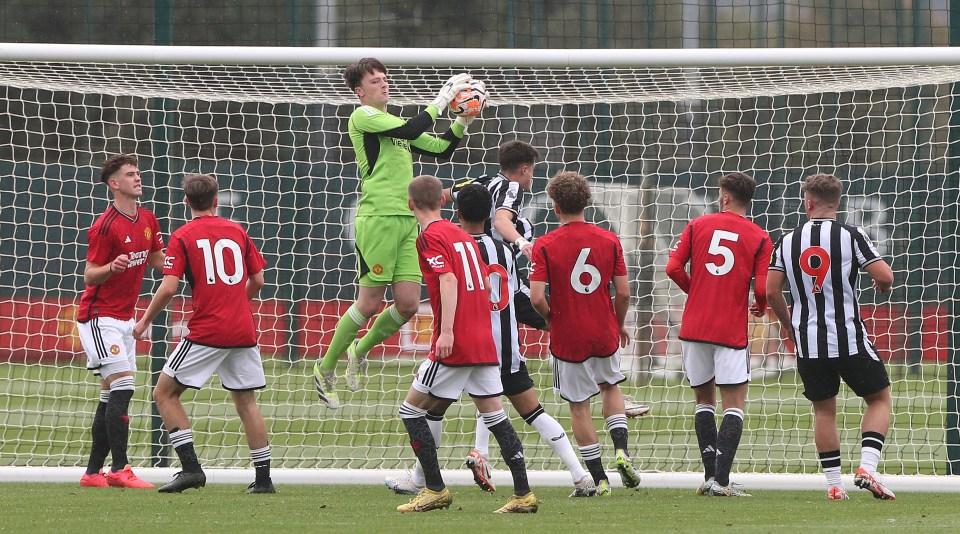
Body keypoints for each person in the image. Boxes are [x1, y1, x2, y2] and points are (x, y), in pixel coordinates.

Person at [386, 184, 595, 498]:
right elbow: (506, 291)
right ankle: (575, 476)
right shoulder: (505, 250)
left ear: (457, 212)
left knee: (427, 411)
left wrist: (447, 330)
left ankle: (432, 479)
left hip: (466, 340)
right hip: (503, 344)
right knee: (526, 412)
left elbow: (453, 282)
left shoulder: (452, 241)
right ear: (489, 215)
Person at [313, 57, 478, 409]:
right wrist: (442, 99)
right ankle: (324, 367)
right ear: (360, 91)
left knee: (405, 304)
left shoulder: (394, 125)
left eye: (385, 79)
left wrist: (462, 120)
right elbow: (409, 129)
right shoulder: (363, 116)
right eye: (376, 81)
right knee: (369, 302)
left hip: (407, 221)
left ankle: (360, 349)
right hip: (378, 219)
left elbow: (442, 150)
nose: (384, 84)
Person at [446, 140, 651, 418]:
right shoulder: (512, 187)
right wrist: (521, 242)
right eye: (532, 170)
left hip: (481, 279)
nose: (532, 176)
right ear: (524, 168)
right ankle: (611, 390)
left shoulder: (484, 181)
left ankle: (608, 388)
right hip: (503, 280)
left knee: (498, 370)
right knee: (566, 325)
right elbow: (501, 222)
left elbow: (445, 194)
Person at [394, 175, 538, 513]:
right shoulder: (462, 235)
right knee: (496, 416)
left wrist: (446, 332)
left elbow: (447, 278)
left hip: (456, 342)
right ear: (442, 202)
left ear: (410, 204)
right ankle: (523, 494)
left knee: (410, 410)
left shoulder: (431, 235)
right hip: (483, 339)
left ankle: (434, 488)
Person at [133, 173, 274, 494]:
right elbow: (259, 279)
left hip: (208, 329)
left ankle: (191, 469)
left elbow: (169, 287)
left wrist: (143, 321)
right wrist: (236, 302)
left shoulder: (182, 235)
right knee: (247, 401)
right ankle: (264, 480)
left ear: (186, 202)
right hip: (242, 329)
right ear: (216, 200)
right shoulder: (237, 230)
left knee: (164, 394)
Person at [767, 173, 895, 501]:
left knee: (824, 411)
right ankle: (867, 466)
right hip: (848, 337)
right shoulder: (852, 235)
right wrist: (881, 286)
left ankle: (834, 486)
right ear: (837, 203)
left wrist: (788, 325)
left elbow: (770, 291)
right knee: (879, 399)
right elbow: (884, 276)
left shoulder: (787, 240)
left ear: (808, 201)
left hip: (809, 342)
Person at [529, 171, 642, 496]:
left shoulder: (545, 244)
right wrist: (618, 323)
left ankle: (599, 480)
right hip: (603, 330)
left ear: (554, 207)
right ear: (587, 202)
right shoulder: (609, 239)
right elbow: (623, 293)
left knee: (579, 406)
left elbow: (537, 297)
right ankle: (622, 450)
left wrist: (552, 320)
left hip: (569, 337)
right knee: (610, 387)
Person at [665, 172, 772, 497]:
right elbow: (764, 286)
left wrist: (694, 290)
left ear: (724, 197)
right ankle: (721, 482)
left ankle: (710, 476)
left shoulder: (698, 225)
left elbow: (672, 268)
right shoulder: (759, 236)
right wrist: (760, 304)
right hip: (729, 329)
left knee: (703, 402)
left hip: (694, 327)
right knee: (735, 405)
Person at [76, 153, 164, 489]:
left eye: (138, 173)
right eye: (130, 175)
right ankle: (119, 468)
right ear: (115, 184)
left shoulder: (147, 218)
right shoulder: (105, 225)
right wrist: (111, 267)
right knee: (125, 387)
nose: (137, 178)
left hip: (125, 320)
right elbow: (89, 275)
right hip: (99, 319)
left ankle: (91, 473)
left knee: (110, 395)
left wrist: (184, 261)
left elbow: (158, 259)